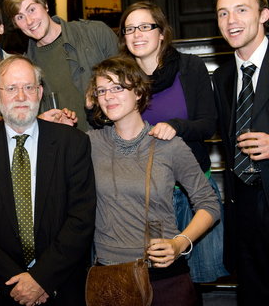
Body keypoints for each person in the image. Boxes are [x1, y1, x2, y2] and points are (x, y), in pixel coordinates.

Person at [0, 56, 95, 305]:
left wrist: (41, 279)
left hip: (61, 287)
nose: (21, 96)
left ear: (40, 92)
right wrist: (15, 280)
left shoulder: (73, 143)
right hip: (1, 289)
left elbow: (81, 218)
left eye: (28, 87)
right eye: (11, 88)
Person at [86, 56, 220, 305]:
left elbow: (209, 203)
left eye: (117, 87)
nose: (108, 96)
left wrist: (180, 244)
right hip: (110, 276)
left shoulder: (168, 145)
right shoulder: (90, 143)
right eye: (102, 90)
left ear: (138, 92)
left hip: (165, 276)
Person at [118, 1, 227, 283]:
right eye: (130, 29)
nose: (137, 34)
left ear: (161, 33)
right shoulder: (121, 78)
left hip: (192, 190)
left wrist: (175, 127)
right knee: (160, 282)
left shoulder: (190, 67)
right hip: (148, 193)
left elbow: (207, 123)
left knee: (198, 281)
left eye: (145, 26)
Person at [212, 0, 269, 305]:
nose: (230, 19)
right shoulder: (222, 78)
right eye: (223, 13)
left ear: (264, 15)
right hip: (242, 207)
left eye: (241, 9)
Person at [2, 0, 118, 131]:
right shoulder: (26, 68)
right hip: (66, 149)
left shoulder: (95, 34)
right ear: (15, 24)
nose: (29, 21)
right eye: (20, 17)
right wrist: (41, 122)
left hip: (112, 143)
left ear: (45, 6)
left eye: (31, 10)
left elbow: (131, 84)